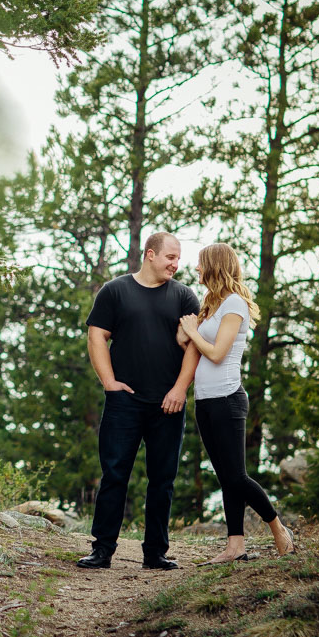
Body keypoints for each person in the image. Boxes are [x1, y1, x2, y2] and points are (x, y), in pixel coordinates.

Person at [78, 232, 200, 570]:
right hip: (124, 403)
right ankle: (102, 550)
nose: (176, 265)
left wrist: (179, 390)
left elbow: (195, 346)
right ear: (150, 255)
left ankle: (155, 553)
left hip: (169, 404)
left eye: (178, 259)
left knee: (163, 480)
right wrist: (109, 383)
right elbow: (96, 335)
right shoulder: (115, 291)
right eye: (170, 258)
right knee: (114, 475)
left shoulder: (184, 297)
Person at [176, 243, 294, 564]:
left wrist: (191, 330)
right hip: (205, 402)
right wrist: (185, 330)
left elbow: (216, 353)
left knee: (237, 476)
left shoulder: (234, 304)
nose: (197, 270)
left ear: (215, 265)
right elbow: (189, 343)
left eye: (201, 265)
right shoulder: (210, 303)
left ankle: (278, 528)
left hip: (228, 399)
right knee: (225, 477)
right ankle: (235, 546)